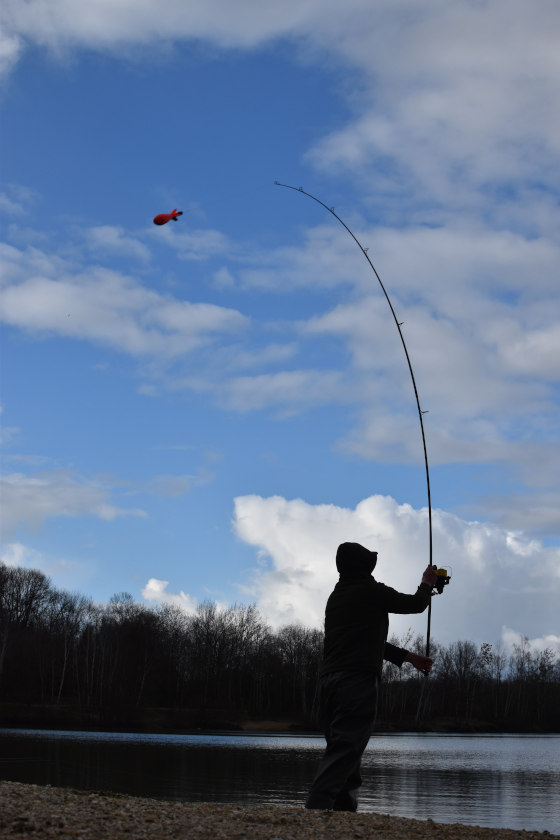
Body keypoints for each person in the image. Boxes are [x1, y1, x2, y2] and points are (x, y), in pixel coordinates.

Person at [305, 541, 437, 812]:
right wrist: (426, 583)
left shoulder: (337, 596)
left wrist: (410, 658)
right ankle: (313, 813)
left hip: (328, 685)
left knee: (346, 755)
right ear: (365, 566)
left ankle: (343, 817)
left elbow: (371, 642)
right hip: (356, 683)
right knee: (345, 751)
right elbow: (415, 604)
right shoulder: (371, 591)